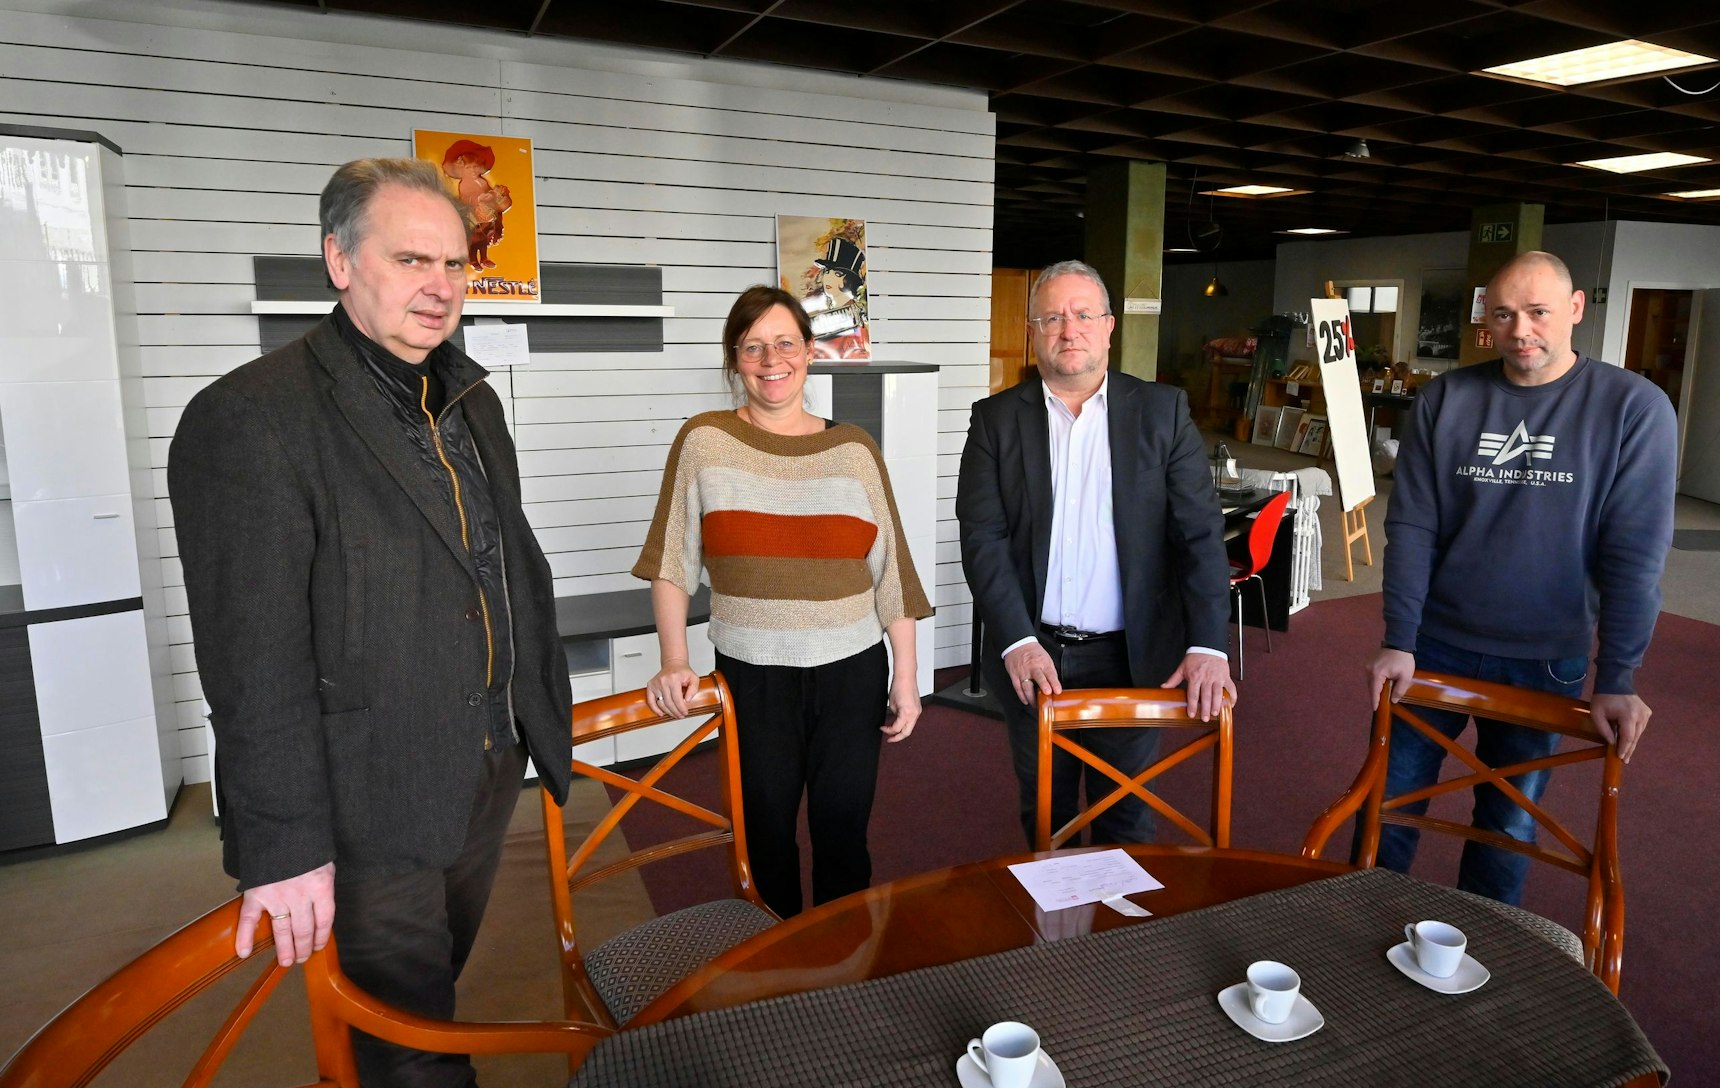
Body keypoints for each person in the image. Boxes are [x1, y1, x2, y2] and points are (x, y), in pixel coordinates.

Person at [170, 158, 572, 1086]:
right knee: (411, 1043)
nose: (440, 286)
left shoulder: (470, 398)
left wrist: (531, 716)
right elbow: (251, 660)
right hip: (368, 799)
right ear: (339, 261)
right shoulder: (251, 418)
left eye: (456, 264)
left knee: (429, 990)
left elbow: (503, 566)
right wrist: (284, 848)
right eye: (411, 259)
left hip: (480, 770)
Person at [1364, 250, 1676, 905]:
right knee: (1385, 805)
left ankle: (1485, 949)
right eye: (1503, 315)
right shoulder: (1446, 399)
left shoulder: (1634, 407)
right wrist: (1399, 637)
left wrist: (1617, 676)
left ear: (1575, 309)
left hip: (1545, 658)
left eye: (1537, 312)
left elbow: (1635, 554)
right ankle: (1353, 929)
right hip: (1434, 648)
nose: (1520, 330)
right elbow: (1413, 527)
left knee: (1508, 823)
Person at [633, 285, 931, 918]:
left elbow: (892, 574)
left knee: (842, 833)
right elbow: (671, 559)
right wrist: (674, 659)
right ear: (734, 359)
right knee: (763, 835)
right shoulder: (703, 442)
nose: (772, 360)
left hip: (851, 673)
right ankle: (775, 976)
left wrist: (905, 675)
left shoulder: (854, 450)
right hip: (751, 676)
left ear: (809, 351)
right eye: (753, 347)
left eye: (785, 343)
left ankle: (840, 965)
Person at [958, 259, 1234, 846]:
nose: (1068, 329)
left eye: (1083, 315)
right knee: (1047, 818)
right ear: (1032, 330)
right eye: (1052, 317)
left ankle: (1117, 939)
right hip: (1034, 656)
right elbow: (983, 539)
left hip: (1130, 658)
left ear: (1109, 326)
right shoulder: (995, 420)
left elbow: (1199, 536)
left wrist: (1209, 642)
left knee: (1126, 818)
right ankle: (1054, 940)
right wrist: (1016, 639)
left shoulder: (1163, 412)